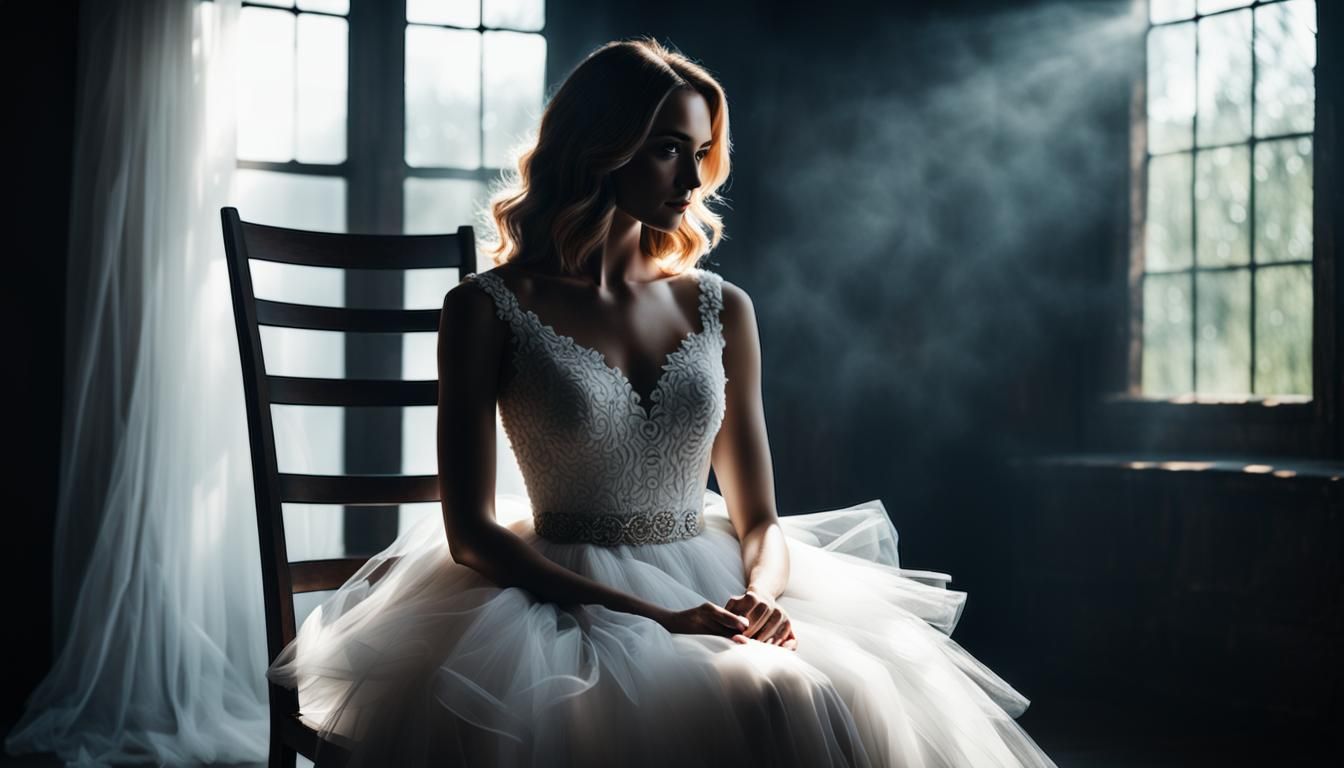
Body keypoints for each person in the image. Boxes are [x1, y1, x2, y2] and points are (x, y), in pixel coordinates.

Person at [266, 37, 1058, 768]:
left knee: (828, 691)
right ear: (599, 148)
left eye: (701, 152)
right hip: (552, 597)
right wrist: (656, 618)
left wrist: (762, 598)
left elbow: (760, 520)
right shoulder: (487, 308)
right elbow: (470, 533)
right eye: (668, 148)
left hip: (711, 578)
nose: (693, 179)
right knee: (756, 702)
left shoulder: (722, 307)